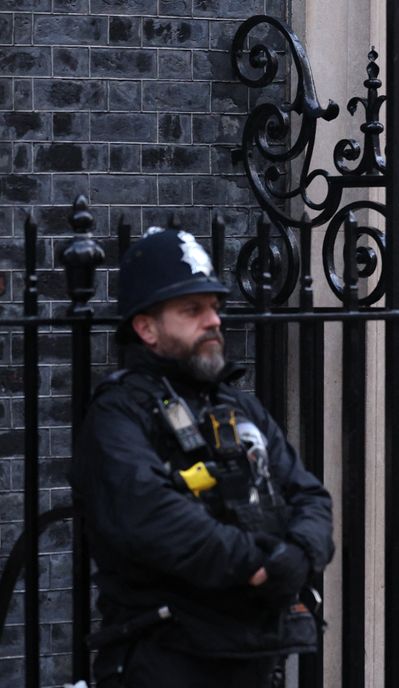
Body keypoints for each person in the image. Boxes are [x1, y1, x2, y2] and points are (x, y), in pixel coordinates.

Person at [71, 228, 334, 688]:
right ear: (146, 328)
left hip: (253, 656)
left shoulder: (236, 405)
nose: (213, 320)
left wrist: (299, 553)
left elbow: (307, 493)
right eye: (192, 309)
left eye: (214, 306)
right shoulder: (116, 415)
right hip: (168, 659)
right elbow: (150, 518)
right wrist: (260, 564)